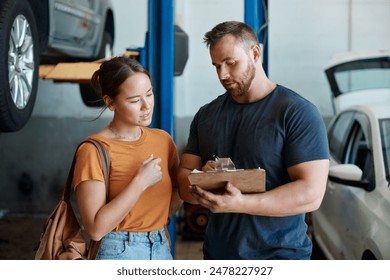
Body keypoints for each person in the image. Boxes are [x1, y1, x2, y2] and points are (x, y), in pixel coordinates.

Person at [177, 21, 330, 260]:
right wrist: (200, 180)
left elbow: (311, 194)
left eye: (230, 62)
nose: (222, 74)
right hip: (218, 256)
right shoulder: (206, 116)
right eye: (216, 66)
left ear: (255, 53)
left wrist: (238, 204)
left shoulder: (296, 113)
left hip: (279, 257)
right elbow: (183, 183)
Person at [73, 56, 182, 260]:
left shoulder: (163, 140)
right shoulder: (93, 150)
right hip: (118, 250)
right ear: (110, 102)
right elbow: (95, 229)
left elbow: (178, 188)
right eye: (134, 100)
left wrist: (160, 220)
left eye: (149, 94)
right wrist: (140, 182)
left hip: (161, 247)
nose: (146, 105)